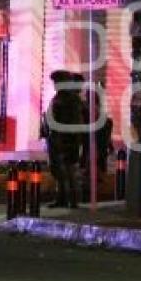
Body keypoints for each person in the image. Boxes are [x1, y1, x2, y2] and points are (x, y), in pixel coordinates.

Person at [45, 70, 86, 208]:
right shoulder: (59, 97)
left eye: (57, 82)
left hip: (67, 141)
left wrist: (68, 141)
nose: (55, 84)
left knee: (69, 171)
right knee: (58, 171)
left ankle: (73, 200)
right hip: (56, 139)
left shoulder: (71, 100)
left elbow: (74, 123)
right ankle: (61, 199)